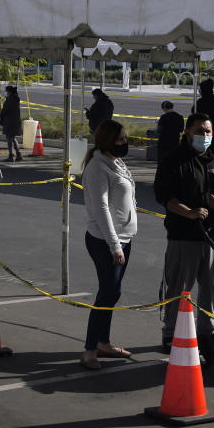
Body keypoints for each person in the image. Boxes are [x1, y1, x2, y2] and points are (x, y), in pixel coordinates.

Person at [153, 112, 214, 353]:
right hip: (185, 237)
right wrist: (189, 212)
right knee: (180, 288)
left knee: (213, 290)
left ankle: (208, 332)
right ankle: (171, 334)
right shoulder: (174, 160)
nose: (205, 135)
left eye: (208, 131)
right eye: (200, 131)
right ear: (188, 133)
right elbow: (164, 196)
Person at [79, 119, 137, 370]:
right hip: (105, 241)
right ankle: (90, 350)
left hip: (123, 238)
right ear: (107, 140)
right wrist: (115, 247)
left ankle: (103, 342)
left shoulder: (116, 162)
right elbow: (101, 209)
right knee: (108, 292)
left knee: (113, 292)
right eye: (121, 139)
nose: (125, 143)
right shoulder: (96, 168)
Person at [0, 85, 23, 162]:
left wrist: (0, 115)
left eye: (5, 91)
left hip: (10, 122)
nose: (5, 92)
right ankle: (18, 154)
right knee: (12, 138)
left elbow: (5, 110)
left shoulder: (10, 100)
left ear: (9, 92)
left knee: (9, 139)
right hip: (14, 121)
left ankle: (11, 155)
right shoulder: (15, 99)